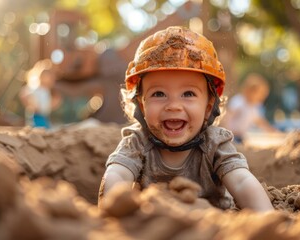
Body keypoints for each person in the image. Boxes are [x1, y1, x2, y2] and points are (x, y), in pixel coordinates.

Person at [98, 26, 273, 212]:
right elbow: (117, 174)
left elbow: (241, 181)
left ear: (208, 106)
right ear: (141, 104)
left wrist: (266, 217)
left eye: (188, 93)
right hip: (153, 224)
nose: (174, 105)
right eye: (158, 94)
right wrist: (112, 212)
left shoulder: (215, 144)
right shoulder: (137, 143)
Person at [220, 73, 278, 143]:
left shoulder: (254, 107)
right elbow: (227, 116)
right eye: (260, 94)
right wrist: (226, 132)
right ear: (250, 91)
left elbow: (260, 122)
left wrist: (271, 130)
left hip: (241, 136)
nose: (262, 98)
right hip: (232, 135)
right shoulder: (239, 101)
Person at [19, 61, 61, 129]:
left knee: (46, 127)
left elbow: (47, 103)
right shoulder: (35, 88)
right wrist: (31, 105)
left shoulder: (46, 90)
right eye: (46, 77)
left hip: (43, 116)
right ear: (40, 77)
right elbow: (23, 94)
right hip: (36, 115)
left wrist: (53, 104)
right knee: (38, 128)